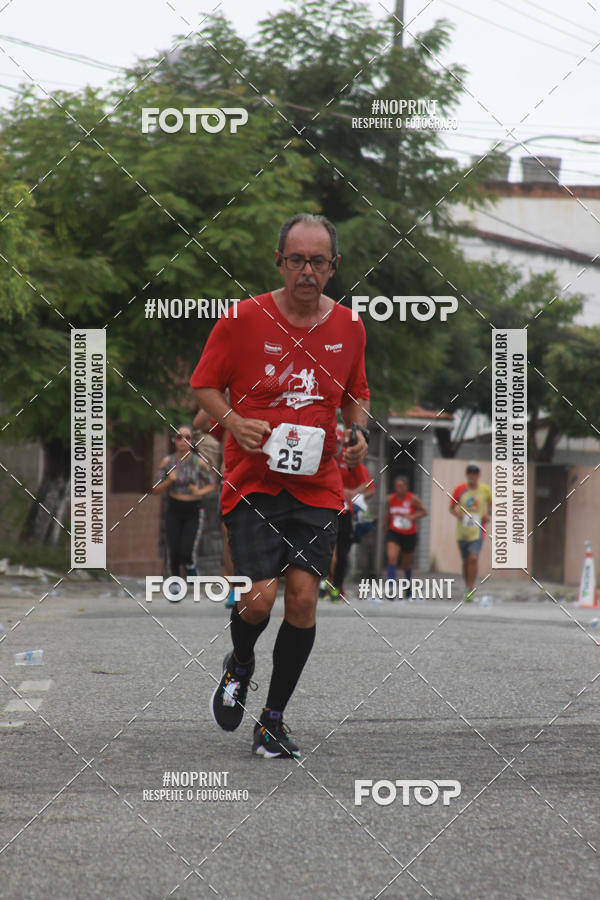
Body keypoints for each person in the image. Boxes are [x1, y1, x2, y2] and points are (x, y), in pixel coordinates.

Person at [190, 212, 370, 758]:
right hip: (254, 483)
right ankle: (240, 663)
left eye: (318, 261)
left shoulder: (350, 327)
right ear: (279, 262)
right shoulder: (241, 319)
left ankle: (272, 721)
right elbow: (203, 386)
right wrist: (234, 422)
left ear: (334, 267)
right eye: (296, 260)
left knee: (304, 598)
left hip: (318, 486)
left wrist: (358, 434)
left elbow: (356, 395)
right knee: (258, 600)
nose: (306, 271)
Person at [153, 425, 218, 596]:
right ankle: (175, 582)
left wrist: (199, 492)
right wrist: (169, 481)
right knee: (173, 548)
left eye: (187, 437)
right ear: (174, 441)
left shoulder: (199, 462)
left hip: (193, 509)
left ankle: (191, 565)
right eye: (179, 437)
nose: (183, 441)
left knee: (186, 549)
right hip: (174, 508)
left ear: (192, 441)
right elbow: (156, 489)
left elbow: (212, 484)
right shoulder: (167, 462)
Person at [320, 425, 375, 602]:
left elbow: (368, 485)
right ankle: (323, 583)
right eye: (334, 443)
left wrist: (352, 493)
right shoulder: (322, 459)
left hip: (345, 511)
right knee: (327, 552)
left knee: (342, 553)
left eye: (339, 443)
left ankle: (336, 587)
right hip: (324, 510)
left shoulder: (348, 458)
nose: (337, 447)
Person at [193, 408, 236, 609]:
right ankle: (234, 586)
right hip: (233, 483)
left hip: (267, 483)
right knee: (229, 535)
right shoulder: (230, 413)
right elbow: (200, 423)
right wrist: (220, 394)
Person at [449, 462, 492, 602]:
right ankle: (467, 585)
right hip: (463, 532)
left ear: (479, 475)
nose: (472, 475)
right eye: (470, 473)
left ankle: (470, 589)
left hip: (478, 531)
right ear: (467, 474)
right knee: (466, 561)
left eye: (475, 473)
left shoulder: (485, 490)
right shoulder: (459, 489)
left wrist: (488, 515)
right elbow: (451, 508)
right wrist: (459, 515)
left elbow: (491, 504)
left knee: (473, 559)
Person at [384, 476, 427, 598]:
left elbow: (424, 512)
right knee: (392, 558)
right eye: (396, 486)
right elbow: (388, 513)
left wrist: (412, 516)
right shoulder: (390, 498)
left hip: (409, 534)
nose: (398, 488)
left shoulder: (413, 499)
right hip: (394, 532)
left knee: (406, 564)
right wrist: (384, 525)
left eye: (401, 486)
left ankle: (408, 589)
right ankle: (391, 588)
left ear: (406, 487)